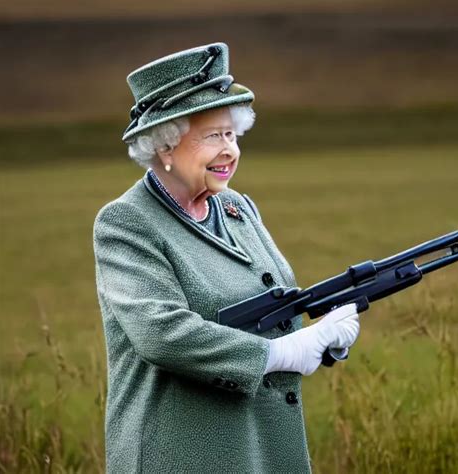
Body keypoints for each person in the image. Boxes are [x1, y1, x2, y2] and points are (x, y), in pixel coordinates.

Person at [93, 42, 361, 473]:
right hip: (180, 452)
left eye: (232, 134)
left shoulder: (237, 207)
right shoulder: (126, 222)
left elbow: (272, 301)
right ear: (165, 145)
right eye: (212, 136)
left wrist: (322, 331)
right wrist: (280, 354)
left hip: (261, 444)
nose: (230, 150)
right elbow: (162, 333)